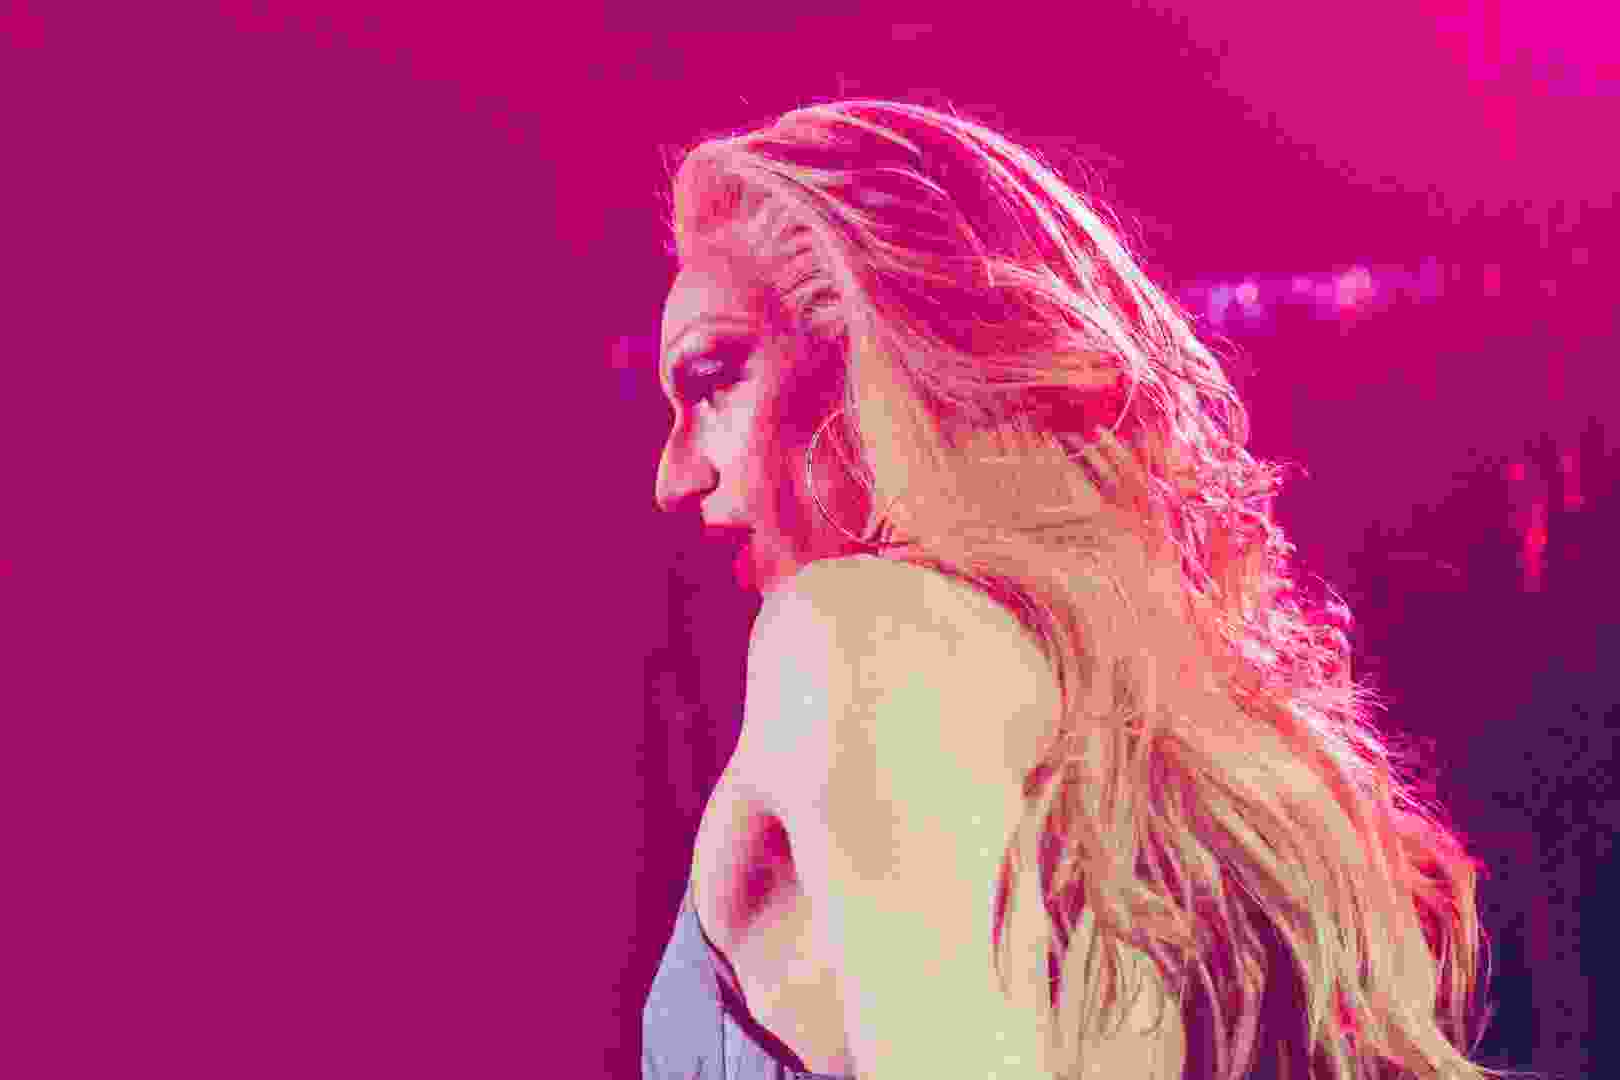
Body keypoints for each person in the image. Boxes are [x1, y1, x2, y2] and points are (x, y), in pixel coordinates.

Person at [643, 99, 1534, 1080]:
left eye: (713, 377)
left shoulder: (854, 636)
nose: (673, 476)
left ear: (880, 350)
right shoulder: (1156, 763)